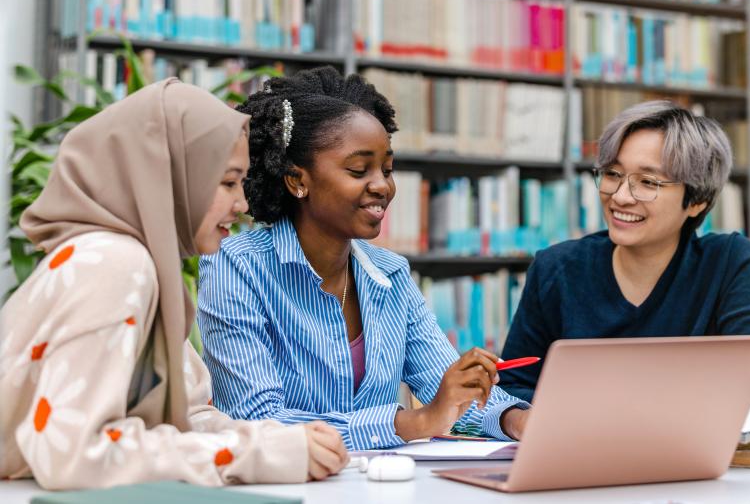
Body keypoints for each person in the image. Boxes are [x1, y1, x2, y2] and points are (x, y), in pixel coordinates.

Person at [0, 80, 348, 490]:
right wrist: (260, 455)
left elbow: (187, 417)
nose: (242, 205)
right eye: (227, 182)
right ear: (167, 177)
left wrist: (279, 442)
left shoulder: (143, 267)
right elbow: (75, 453)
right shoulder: (115, 264)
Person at [197, 67, 529, 450]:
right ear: (297, 180)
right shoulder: (236, 266)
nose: (382, 186)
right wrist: (413, 421)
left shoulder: (391, 274)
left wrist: (516, 419)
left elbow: (446, 389)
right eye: (359, 170)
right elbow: (257, 420)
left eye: (387, 169)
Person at [498, 100, 750, 402]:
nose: (621, 197)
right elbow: (513, 386)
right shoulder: (555, 268)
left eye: (647, 182)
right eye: (612, 174)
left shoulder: (730, 262)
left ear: (696, 201)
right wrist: (521, 419)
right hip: (581, 447)